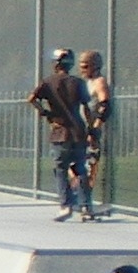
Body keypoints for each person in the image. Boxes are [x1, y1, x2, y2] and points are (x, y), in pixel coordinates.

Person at [28, 49, 93, 222]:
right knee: (80, 169)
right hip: (78, 131)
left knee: (61, 169)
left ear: (56, 64)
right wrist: (91, 129)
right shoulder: (78, 82)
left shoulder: (48, 82)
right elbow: (86, 107)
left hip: (60, 132)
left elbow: (31, 99)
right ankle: (86, 207)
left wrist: (46, 114)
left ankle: (66, 205)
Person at [77, 51, 116, 218]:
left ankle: (86, 205)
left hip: (92, 134)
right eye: (80, 66)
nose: (82, 69)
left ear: (95, 66)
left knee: (88, 167)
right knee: (76, 168)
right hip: (80, 132)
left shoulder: (99, 82)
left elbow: (105, 106)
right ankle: (81, 201)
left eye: (85, 66)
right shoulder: (86, 83)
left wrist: (95, 129)